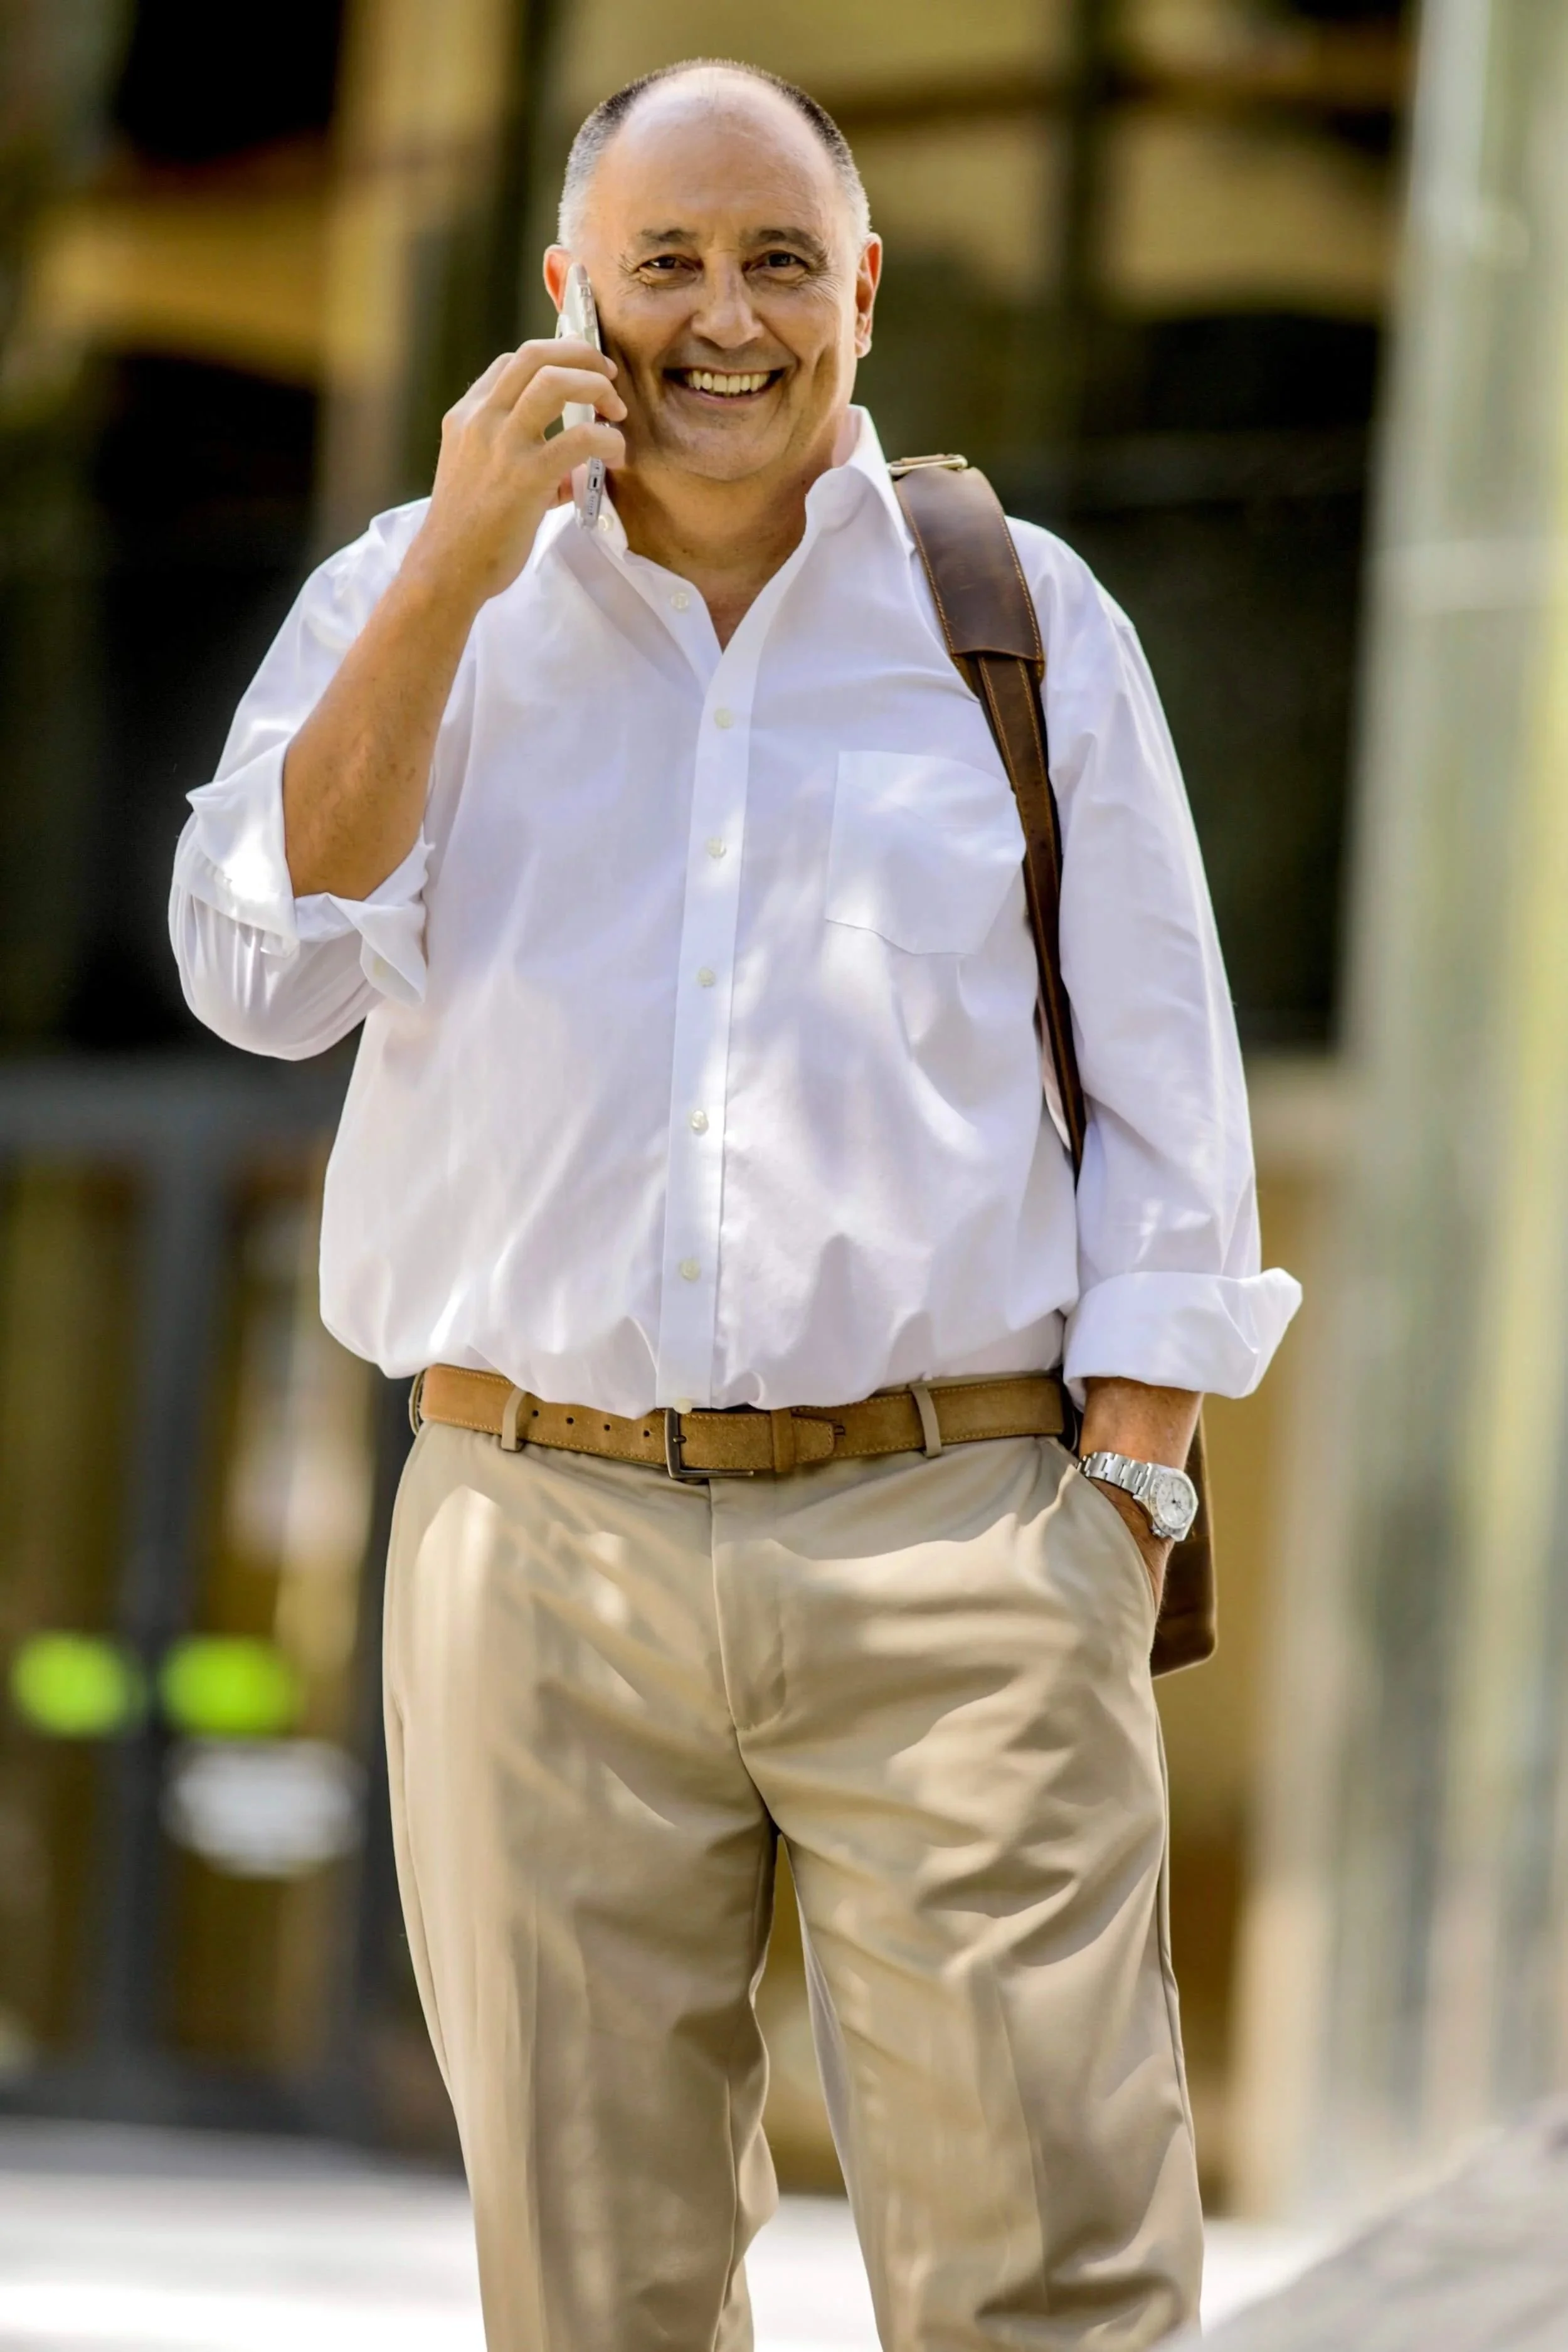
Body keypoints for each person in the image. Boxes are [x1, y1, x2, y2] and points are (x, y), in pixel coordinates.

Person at [171, 56, 1299, 2352]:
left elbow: (1172, 1093)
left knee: (1050, 2271)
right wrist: (458, 566)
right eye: (664, 260)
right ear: (567, 288)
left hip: (958, 1528)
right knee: (599, 2288)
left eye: (777, 258)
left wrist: (1119, 1500)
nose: (722, 315)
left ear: (861, 291)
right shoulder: (417, 597)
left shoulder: (1018, 612)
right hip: (534, 1535)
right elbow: (257, 969)